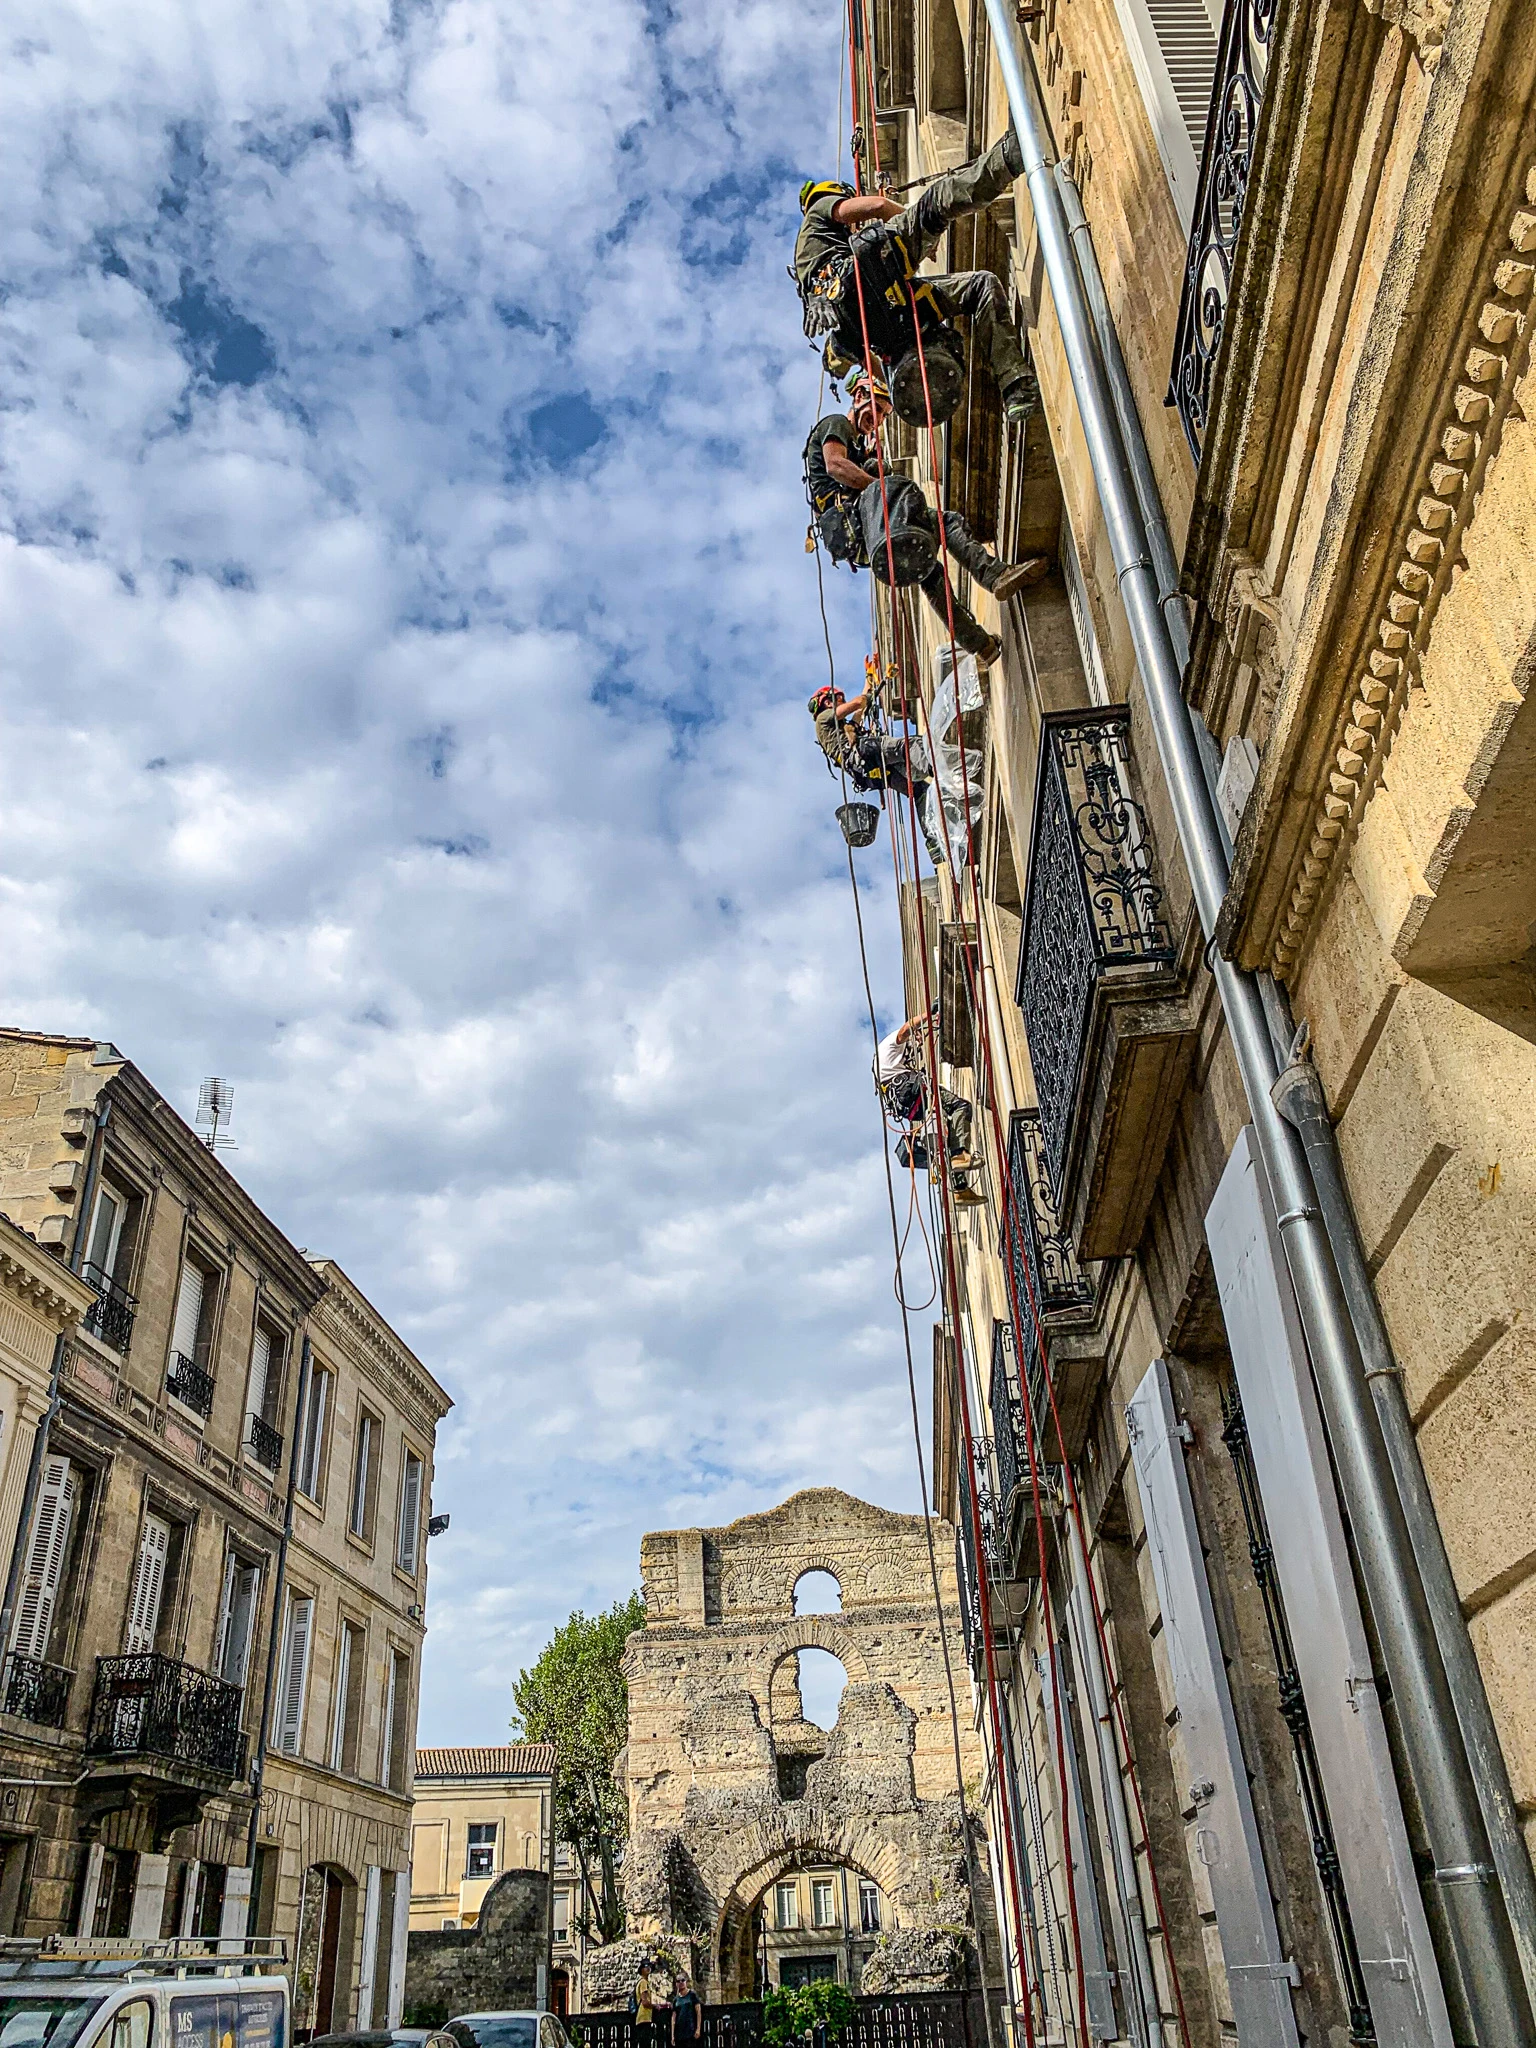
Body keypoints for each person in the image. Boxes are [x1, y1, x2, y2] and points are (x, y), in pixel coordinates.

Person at [804, 367, 1047, 663]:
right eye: (876, 409)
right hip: (860, 522)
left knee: (928, 570)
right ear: (859, 396)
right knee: (946, 522)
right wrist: (881, 485)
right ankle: (994, 575)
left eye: (883, 416)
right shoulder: (837, 424)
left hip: (862, 534)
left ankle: (980, 645)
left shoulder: (860, 447)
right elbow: (835, 466)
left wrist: (873, 466)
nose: (877, 420)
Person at [795, 135, 1035, 422]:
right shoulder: (820, 207)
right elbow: (877, 206)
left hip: (879, 320)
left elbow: (865, 357)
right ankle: (1009, 156)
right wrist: (919, 230)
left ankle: (1016, 391)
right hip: (869, 274)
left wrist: (894, 383)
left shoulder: (809, 268)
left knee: (977, 286)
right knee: (938, 202)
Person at [875, 1012, 985, 1204]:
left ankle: (960, 1189)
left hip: (909, 1105)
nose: (917, 1043)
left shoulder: (884, 1066)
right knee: (961, 1106)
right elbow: (905, 1030)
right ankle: (959, 1154)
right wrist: (931, 1014)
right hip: (913, 1091)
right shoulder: (889, 1045)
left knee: (947, 1133)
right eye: (915, 1039)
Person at [670, 1975, 701, 2048]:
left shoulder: (692, 1995)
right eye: (678, 1981)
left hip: (690, 2031)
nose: (681, 1982)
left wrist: (698, 2028)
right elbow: (673, 2018)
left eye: (682, 1980)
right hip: (679, 2033)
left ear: (686, 1982)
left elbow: (698, 2012)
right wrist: (672, 2035)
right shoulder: (676, 1999)